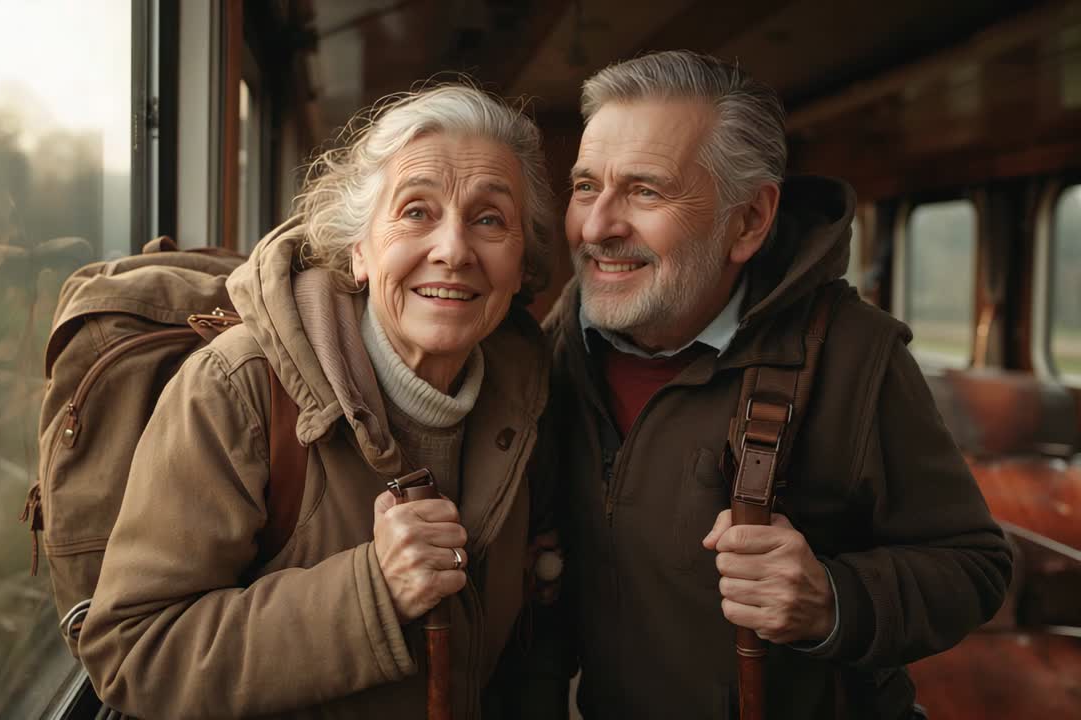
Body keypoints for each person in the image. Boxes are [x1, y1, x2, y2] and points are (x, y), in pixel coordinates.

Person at [540, 50, 1012, 718]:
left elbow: (975, 566)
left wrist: (833, 599)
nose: (597, 226)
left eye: (646, 190)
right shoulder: (555, 348)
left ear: (749, 222)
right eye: (586, 186)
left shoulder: (855, 356)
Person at [78, 84, 559, 719]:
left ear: (522, 264)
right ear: (359, 251)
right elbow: (133, 651)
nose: (453, 249)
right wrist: (372, 592)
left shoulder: (526, 403)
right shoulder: (238, 388)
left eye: (490, 219)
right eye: (416, 212)